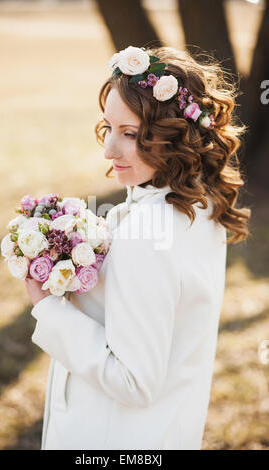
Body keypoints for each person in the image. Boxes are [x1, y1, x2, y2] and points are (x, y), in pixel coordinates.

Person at [25, 45, 251, 450]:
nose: (109, 150)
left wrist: (47, 307)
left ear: (174, 134)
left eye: (130, 134)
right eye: (108, 128)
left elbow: (134, 381)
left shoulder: (148, 233)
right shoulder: (198, 203)